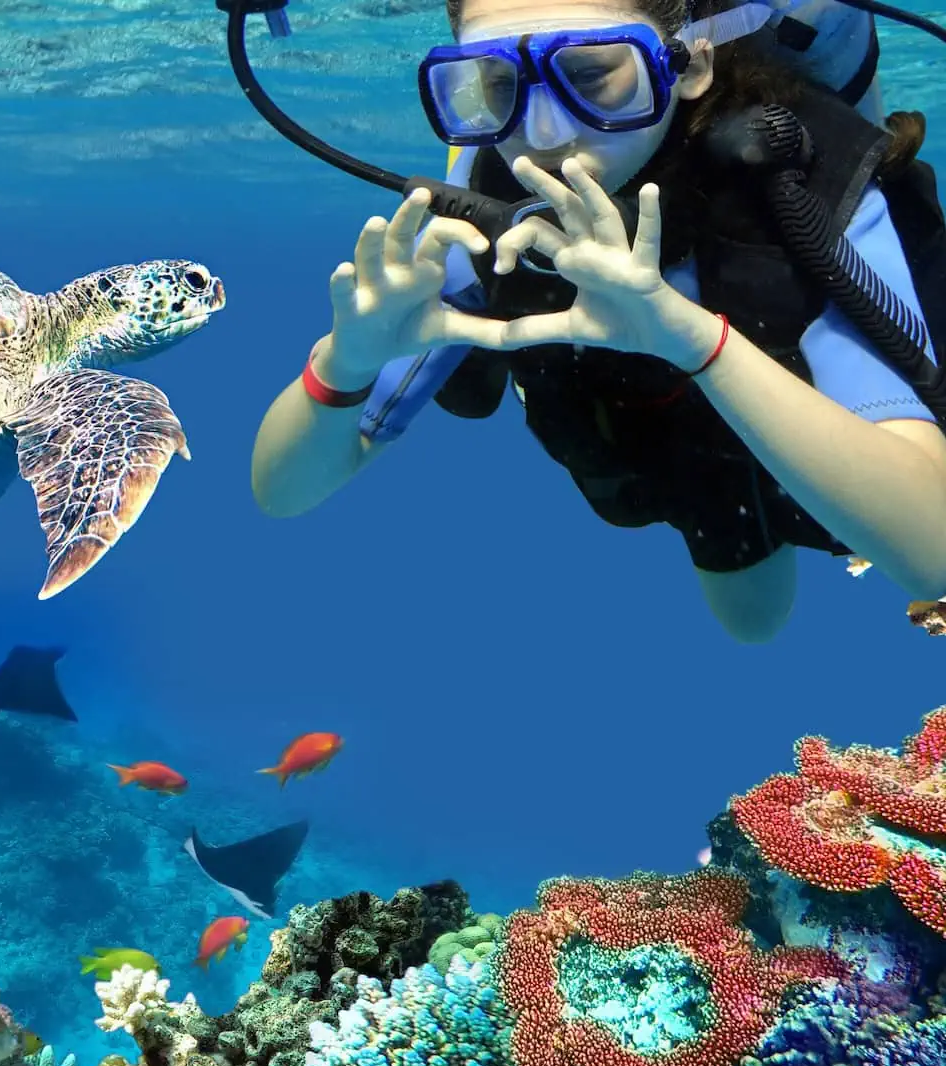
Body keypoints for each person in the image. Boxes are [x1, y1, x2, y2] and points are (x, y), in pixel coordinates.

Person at [248, 0, 946, 642]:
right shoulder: (480, 210)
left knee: (770, 608)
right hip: (679, 460)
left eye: (592, 74)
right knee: (751, 620)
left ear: (690, 62)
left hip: (817, 422)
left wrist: (686, 335)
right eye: (496, 84)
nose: (544, 135)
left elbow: (934, 553)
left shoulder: (806, 184)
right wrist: (349, 358)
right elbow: (281, 492)